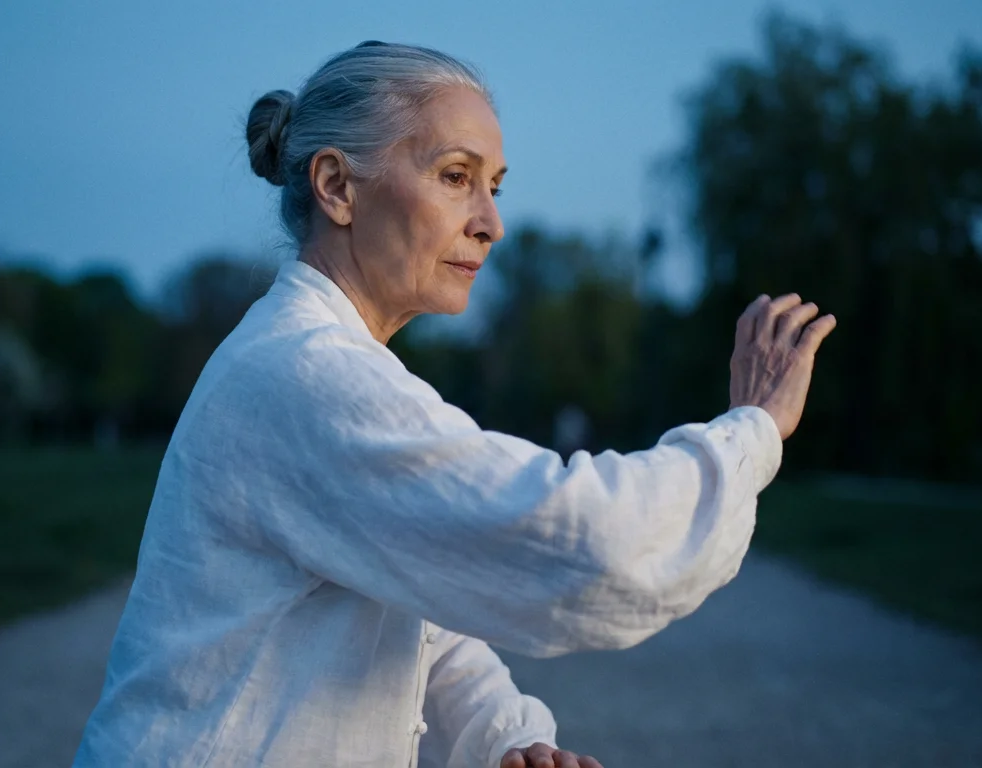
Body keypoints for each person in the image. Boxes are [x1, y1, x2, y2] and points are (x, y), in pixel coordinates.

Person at [72, 41, 836, 768]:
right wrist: (754, 430)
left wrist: (501, 735)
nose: (491, 223)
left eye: (494, 185)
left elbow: (416, 618)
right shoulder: (303, 375)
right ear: (337, 187)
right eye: (455, 175)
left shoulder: (328, 363)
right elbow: (578, 541)